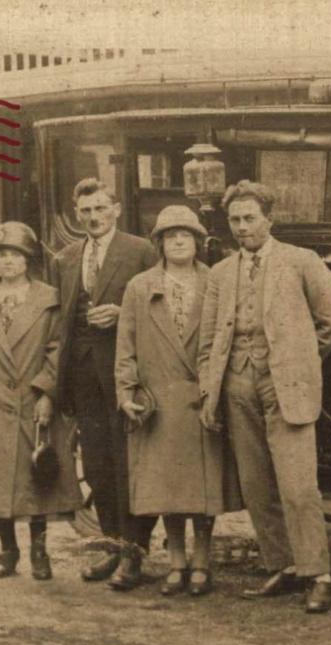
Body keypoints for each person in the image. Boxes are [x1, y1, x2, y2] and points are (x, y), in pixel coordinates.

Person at [198, 180, 331, 614]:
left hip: (287, 385)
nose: (243, 227)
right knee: (256, 484)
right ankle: (283, 565)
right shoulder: (221, 273)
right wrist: (212, 389)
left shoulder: (300, 262)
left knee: (299, 486)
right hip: (236, 385)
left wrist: (299, 356)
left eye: (250, 218)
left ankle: (318, 574)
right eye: (235, 220)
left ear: (269, 219)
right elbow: (208, 341)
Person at [115, 205, 243, 597]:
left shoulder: (217, 281)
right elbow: (126, 346)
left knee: (202, 493)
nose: (178, 241)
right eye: (170, 236)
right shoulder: (140, 287)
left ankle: (202, 563)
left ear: (199, 241)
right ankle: (176, 563)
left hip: (204, 400)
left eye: (185, 234)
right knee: (169, 489)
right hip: (159, 402)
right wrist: (126, 391)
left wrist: (216, 393)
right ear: (159, 244)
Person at [0, 222, 82, 580]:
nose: (8, 262)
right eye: (1, 255)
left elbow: (57, 351)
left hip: (31, 400)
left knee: (36, 477)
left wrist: (46, 394)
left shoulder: (48, 299)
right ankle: (7, 550)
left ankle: (39, 550)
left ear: (28, 260)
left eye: (16, 255)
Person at [48, 177, 160, 590]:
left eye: (100, 208)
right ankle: (112, 548)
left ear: (115, 209)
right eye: (86, 211)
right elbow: (62, 320)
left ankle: (135, 554)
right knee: (97, 464)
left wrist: (123, 313)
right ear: (78, 215)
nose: (93, 217)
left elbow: (158, 308)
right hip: (82, 375)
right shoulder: (66, 258)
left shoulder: (140, 250)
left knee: (130, 462)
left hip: (126, 371)